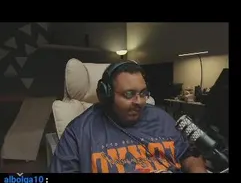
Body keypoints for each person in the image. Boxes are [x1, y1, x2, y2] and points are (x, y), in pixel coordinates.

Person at [51, 61, 209, 174]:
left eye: (143, 93)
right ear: (107, 95)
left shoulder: (162, 118)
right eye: (129, 94)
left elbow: (188, 155)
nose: (139, 102)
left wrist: (197, 169)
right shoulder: (79, 131)